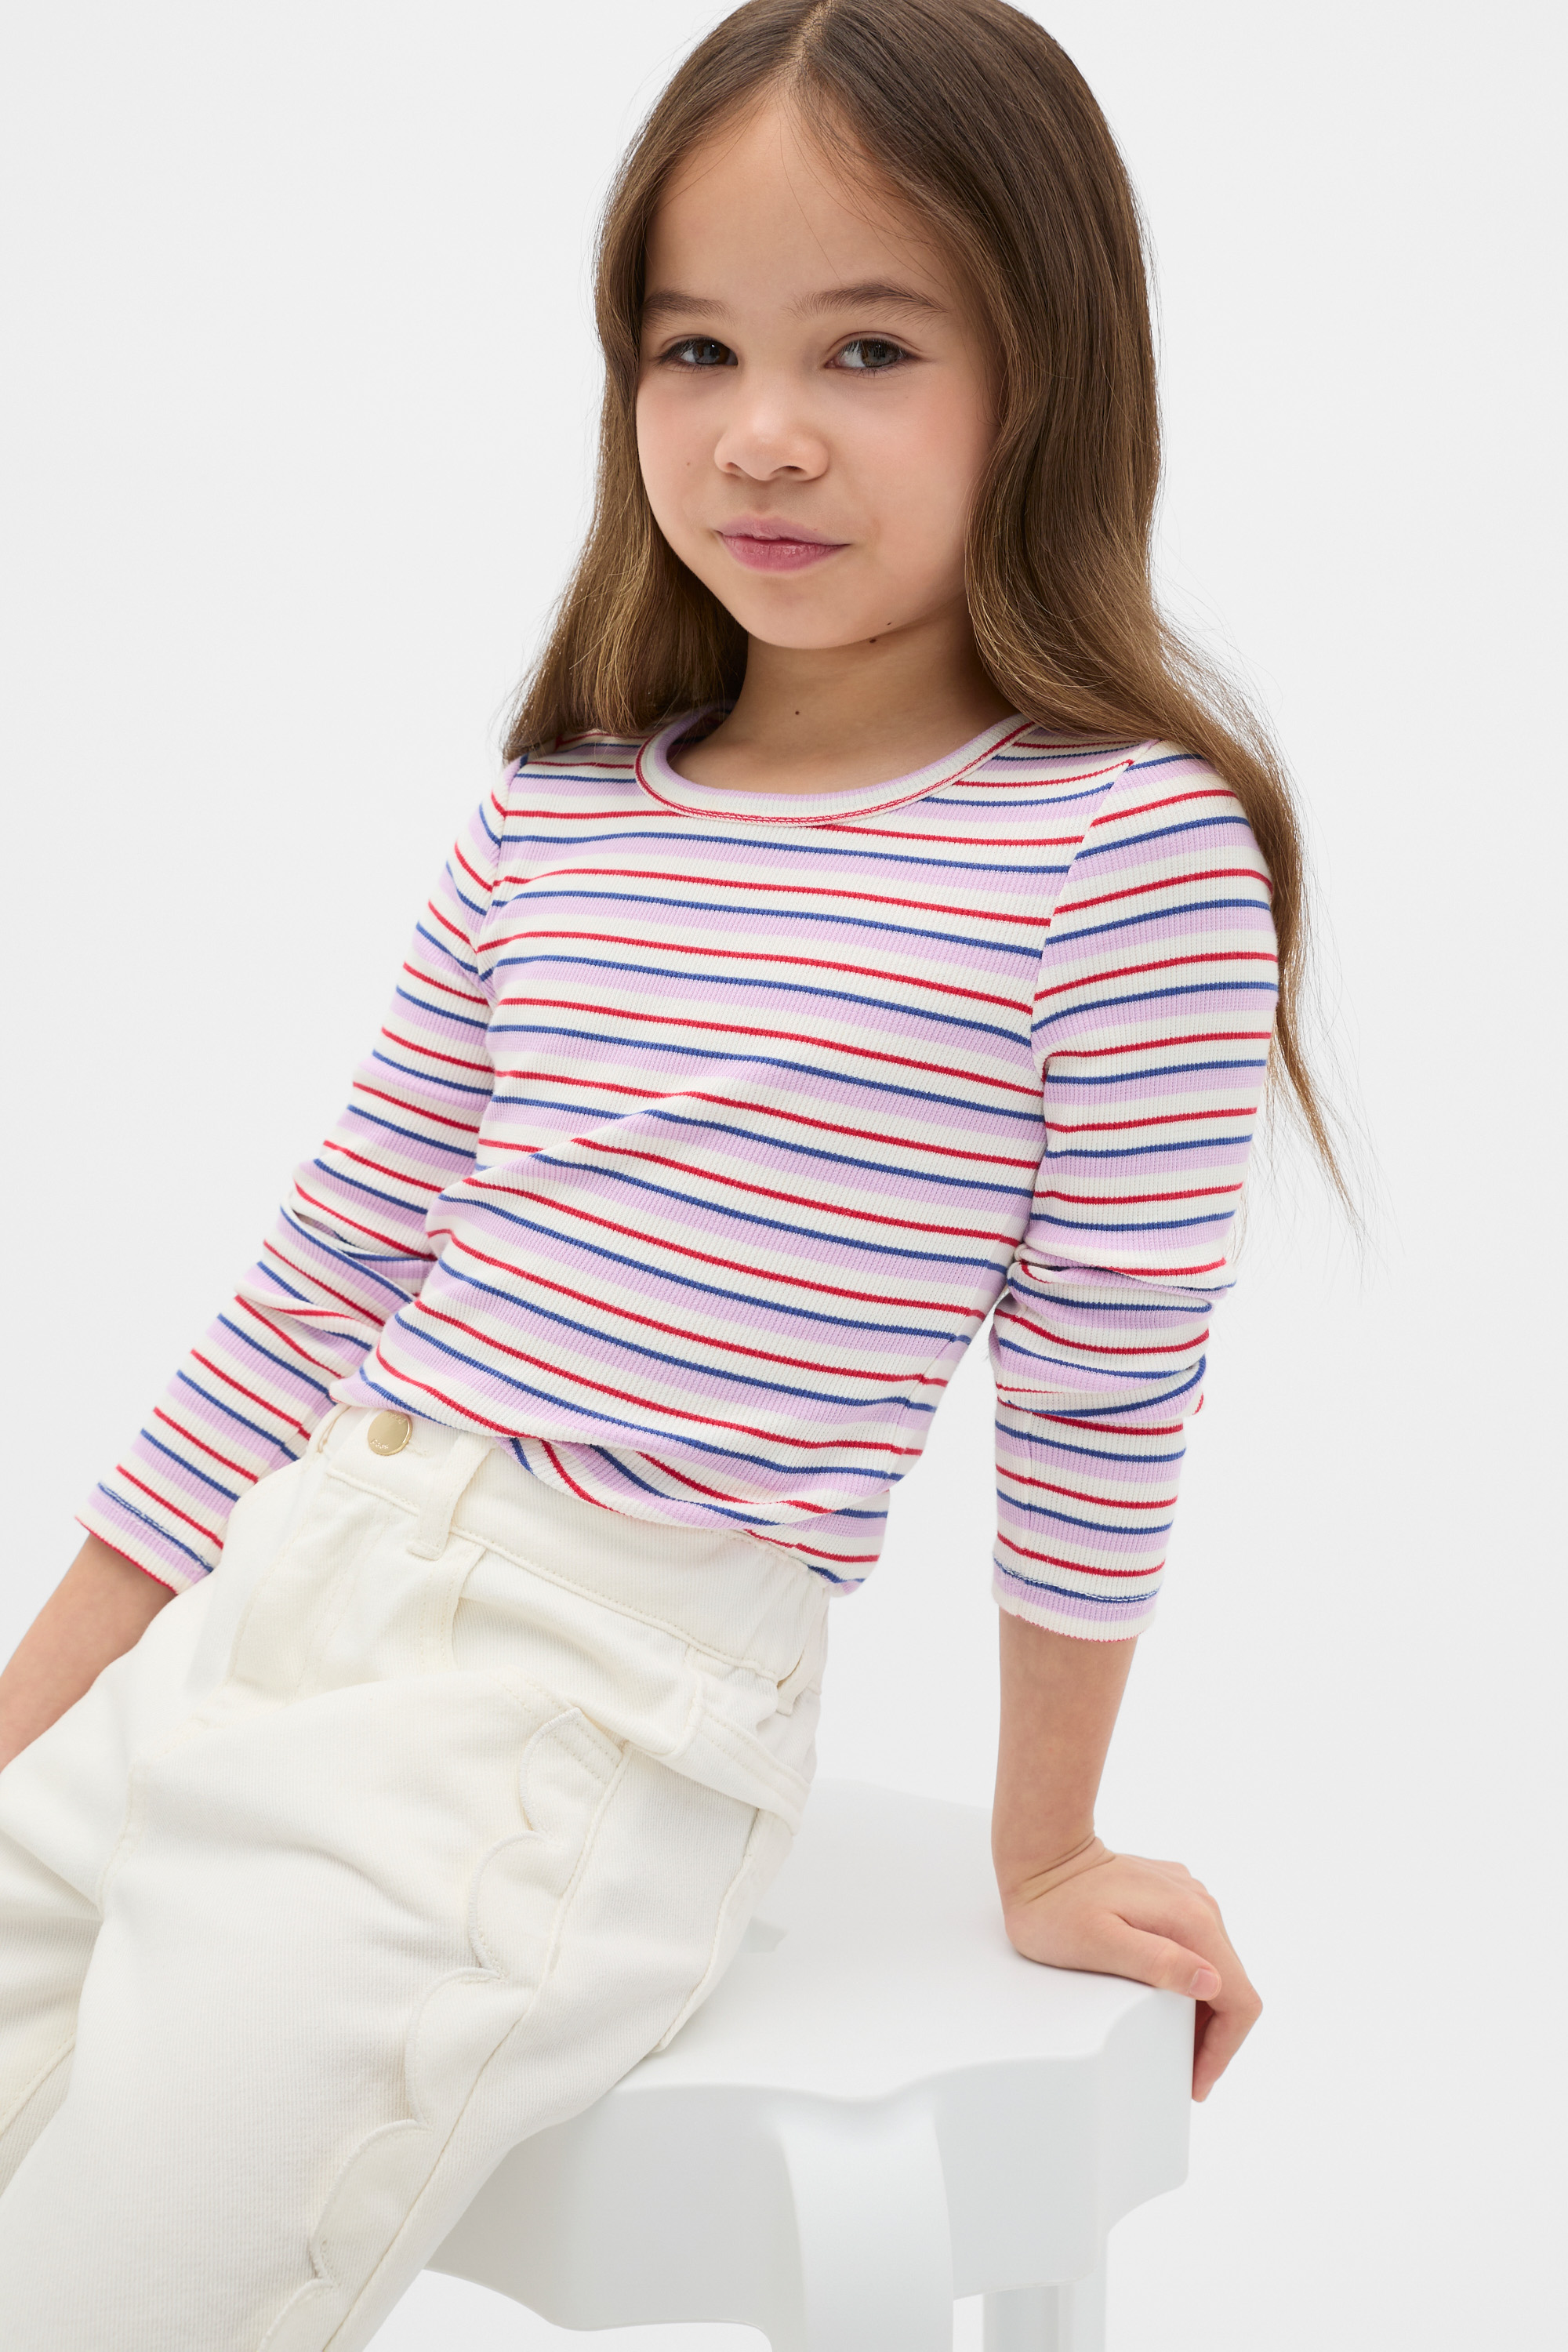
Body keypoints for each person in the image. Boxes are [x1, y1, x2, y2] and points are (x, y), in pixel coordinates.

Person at [0, 2, 1322, 2342]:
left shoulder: (1118, 855)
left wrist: (1046, 1844)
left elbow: (1106, 1389)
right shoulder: (566, 807)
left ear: (1053, 375)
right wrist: (34, 1720)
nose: (761, 431)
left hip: (571, 1718)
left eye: (870, 347)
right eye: (694, 346)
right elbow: (319, 1289)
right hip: (288, 1596)